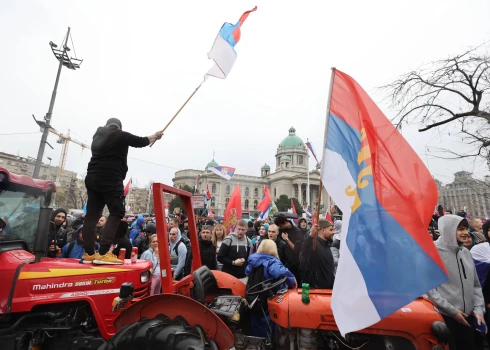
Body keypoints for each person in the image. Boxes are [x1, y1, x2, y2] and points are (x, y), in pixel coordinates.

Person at [81, 118, 163, 265]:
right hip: (111, 178)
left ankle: (89, 252)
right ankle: (104, 252)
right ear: (119, 127)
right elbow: (140, 141)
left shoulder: (97, 137)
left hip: (92, 178)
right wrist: (155, 135)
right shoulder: (120, 134)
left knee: (92, 215)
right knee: (117, 212)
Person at [427, 215, 486, 350]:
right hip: (445, 319)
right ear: (448, 229)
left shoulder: (466, 252)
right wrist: (452, 311)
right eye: (460, 229)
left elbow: (475, 285)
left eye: (465, 228)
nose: (465, 233)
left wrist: (478, 311)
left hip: (468, 319)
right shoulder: (431, 252)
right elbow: (429, 289)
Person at [245, 240, 296, 338]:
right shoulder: (272, 261)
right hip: (267, 298)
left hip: (253, 297)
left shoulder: (252, 260)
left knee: (256, 322)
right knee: (268, 325)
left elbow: (247, 272)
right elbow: (280, 272)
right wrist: (292, 280)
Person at [300, 219, 335, 288]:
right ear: (323, 230)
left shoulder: (327, 245)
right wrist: (310, 236)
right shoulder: (314, 244)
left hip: (328, 288)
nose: (334, 232)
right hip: (317, 289)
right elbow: (304, 251)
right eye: (331, 230)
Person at [274, 214, 304, 283]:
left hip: (294, 265)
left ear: (285, 222)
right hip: (283, 263)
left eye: (281, 226)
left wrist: (287, 239)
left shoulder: (297, 232)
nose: (280, 228)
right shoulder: (281, 230)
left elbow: (297, 250)